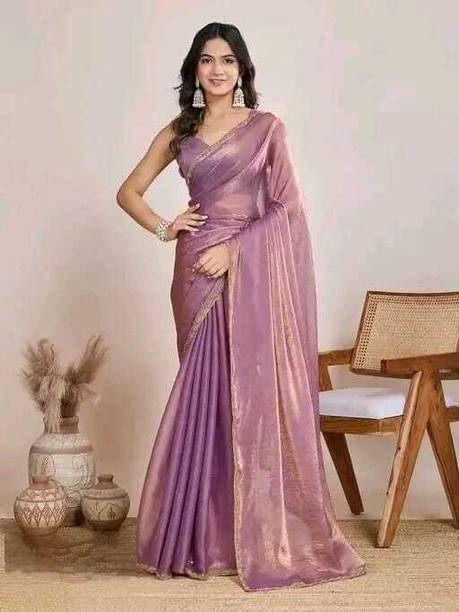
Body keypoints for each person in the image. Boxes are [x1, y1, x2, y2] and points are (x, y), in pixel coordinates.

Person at [116, 22, 366, 593]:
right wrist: (165, 227)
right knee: (205, 398)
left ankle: (252, 536)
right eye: (207, 60)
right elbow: (128, 191)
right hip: (195, 271)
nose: (217, 70)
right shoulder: (179, 132)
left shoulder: (265, 128)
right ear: (194, 69)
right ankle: (201, 540)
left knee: (248, 395)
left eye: (228, 60)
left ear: (242, 70)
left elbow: (287, 209)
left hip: (245, 268)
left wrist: (236, 251)